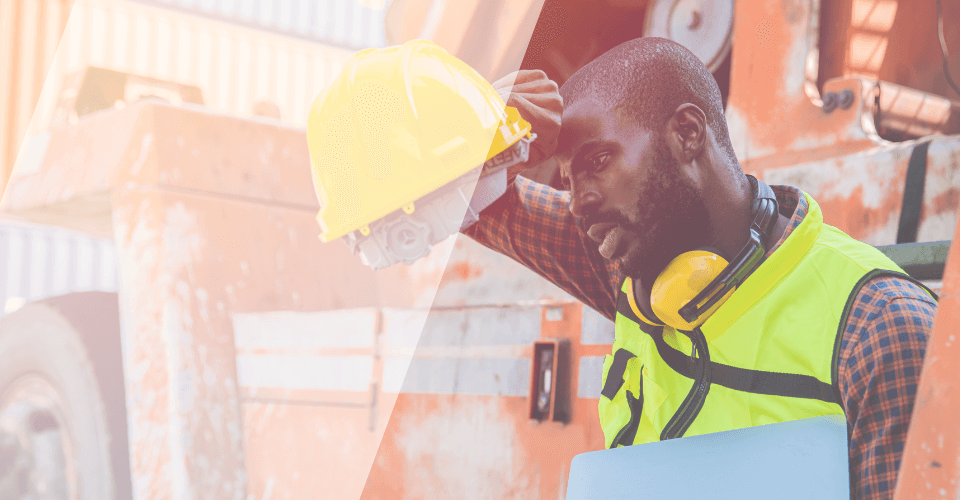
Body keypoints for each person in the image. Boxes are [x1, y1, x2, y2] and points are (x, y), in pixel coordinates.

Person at [464, 37, 937, 500]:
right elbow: (466, 207)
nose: (577, 204)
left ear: (688, 134)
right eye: (568, 180)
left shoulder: (879, 329)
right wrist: (472, 127)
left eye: (599, 161)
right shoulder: (630, 267)